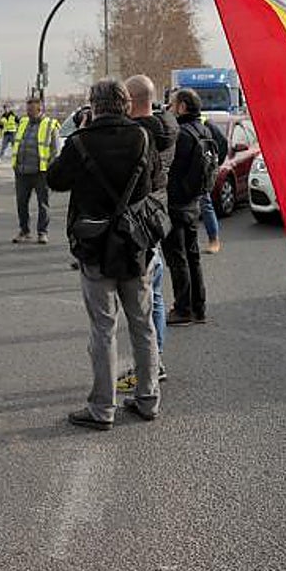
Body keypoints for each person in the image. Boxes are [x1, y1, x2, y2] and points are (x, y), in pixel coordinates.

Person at [48, 78, 161, 429]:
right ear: (126, 104)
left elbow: (55, 180)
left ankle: (102, 408)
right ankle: (148, 398)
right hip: (134, 244)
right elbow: (155, 180)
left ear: (93, 106)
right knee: (142, 325)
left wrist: (79, 135)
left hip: (95, 245)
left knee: (103, 327)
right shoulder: (142, 137)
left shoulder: (81, 142)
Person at [116, 74, 177, 391]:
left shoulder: (140, 134)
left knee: (140, 305)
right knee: (154, 297)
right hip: (156, 217)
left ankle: (148, 369)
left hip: (138, 221)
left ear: (130, 100)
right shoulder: (167, 126)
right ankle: (157, 361)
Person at [162, 88, 212, 326]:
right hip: (194, 200)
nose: (169, 108)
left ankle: (182, 309)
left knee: (177, 257)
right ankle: (198, 307)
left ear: (182, 106)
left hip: (177, 202)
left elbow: (169, 167)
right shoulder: (203, 129)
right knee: (192, 256)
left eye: (172, 104)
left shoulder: (181, 134)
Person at [11, 96, 59, 244]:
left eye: (31, 109)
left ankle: (42, 232)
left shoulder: (50, 124)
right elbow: (17, 143)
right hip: (22, 171)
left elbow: (55, 150)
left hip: (41, 172)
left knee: (43, 204)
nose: (29, 112)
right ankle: (24, 230)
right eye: (27, 109)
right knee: (21, 203)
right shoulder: (23, 122)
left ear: (40, 109)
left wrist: (50, 168)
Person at [199, 116, 228, 254]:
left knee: (205, 204)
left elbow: (222, 143)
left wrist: (214, 166)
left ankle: (213, 240)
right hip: (185, 172)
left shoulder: (205, 123)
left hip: (200, 173)